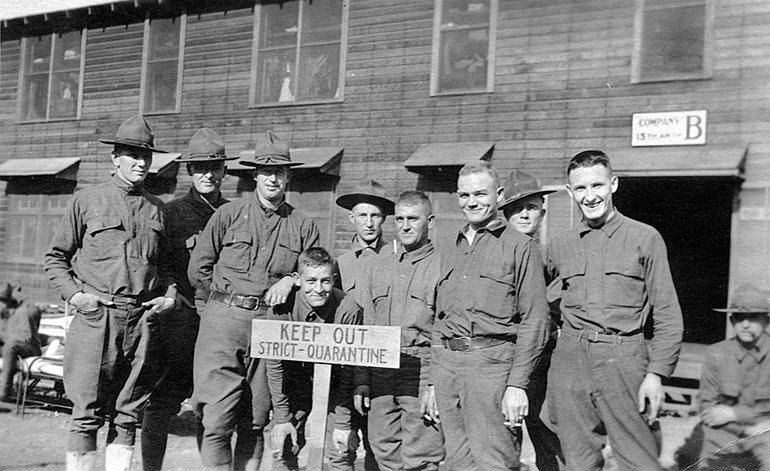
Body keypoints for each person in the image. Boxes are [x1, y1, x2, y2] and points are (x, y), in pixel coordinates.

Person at [44, 115, 178, 471]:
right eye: (132, 154)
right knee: (86, 412)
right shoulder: (87, 201)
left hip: (142, 323)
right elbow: (56, 258)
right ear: (114, 157)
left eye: (145, 156)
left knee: (128, 414)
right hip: (97, 319)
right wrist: (77, 297)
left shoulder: (158, 209)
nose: (140, 163)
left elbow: (166, 268)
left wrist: (168, 296)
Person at [188, 129, 320, 471]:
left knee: (256, 420)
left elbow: (315, 273)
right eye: (265, 172)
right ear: (254, 175)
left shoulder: (303, 225)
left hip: (269, 328)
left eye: (279, 172)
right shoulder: (229, 215)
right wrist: (215, 312)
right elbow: (198, 269)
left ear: (288, 175)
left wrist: (292, 280)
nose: (272, 178)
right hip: (221, 324)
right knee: (215, 420)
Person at [544, 150, 683, 471]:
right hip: (571, 361)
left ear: (614, 184)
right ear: (569, 192)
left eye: (598, 185)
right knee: (578, 462)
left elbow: (667, 313)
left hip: (623, 359)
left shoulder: (644, 238)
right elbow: (535, 299)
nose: (590, 196)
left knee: (640, 460)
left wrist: (656, 373)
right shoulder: (559, 244)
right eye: (580, 188)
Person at [432, 161, 550, 470]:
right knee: (457, 462)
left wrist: (517, 385)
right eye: (464, 195)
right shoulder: (450, 246)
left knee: (494, 462)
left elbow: (535, 321)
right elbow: (438, 317)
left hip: (492, 371)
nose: (471, 202)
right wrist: (433, 381)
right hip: (448, 369)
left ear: (498, 195)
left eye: (480, 194)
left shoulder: (520, 246)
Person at [140, 128, 237, 471]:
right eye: (199, 168)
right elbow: (157, 263)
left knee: (212, 406)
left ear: (225, 170)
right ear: (189, 172)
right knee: (163, 402)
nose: (208, 174)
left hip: (221, 324)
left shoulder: (236, 213)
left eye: (215, 167)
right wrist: (169, 292)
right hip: (180, 322)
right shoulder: (171, 213)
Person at [352, 190, 445, 471]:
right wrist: (362, 379)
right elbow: (366, 325)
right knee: (383, 448)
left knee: (422, 452)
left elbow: (446, 328)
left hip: (422, 368)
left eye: (413, 219)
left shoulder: (443, 266)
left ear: (429, 221)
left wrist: (436, 385)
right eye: (400, 219)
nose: (405, 226)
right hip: (381, 368)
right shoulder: (379, 265)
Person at [268, 247, 362, 471]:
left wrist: (342, 423)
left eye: (325, 281)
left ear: (334, 280)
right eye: (311, 281)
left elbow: (349, 369)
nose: (318, 289)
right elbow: (274, 364)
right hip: (295, 380)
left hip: (335, 384)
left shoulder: (348, 308)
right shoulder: (282, 305)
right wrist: (282, 418)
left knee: (341, 450)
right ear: (298, 280)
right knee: (283, 447)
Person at [499, 170, 563, 471]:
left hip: (542, 366)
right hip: (500, 363)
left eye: (531, 207)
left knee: (549, 443)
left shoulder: (550, 257)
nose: (524, 215)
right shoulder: (494, 254)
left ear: (542, 212)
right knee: (500, 448)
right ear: (505, 214)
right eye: (516, 208)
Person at [333, 179, 394, 470]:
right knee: (341, 446)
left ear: (384, 219)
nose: (368, 223)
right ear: (351, 218)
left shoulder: (396, 259)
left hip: (381, 364)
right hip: (347, 367)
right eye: (362, 215)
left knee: (379, 445)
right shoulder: (340, 264)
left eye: (375, 215)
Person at [692, 283, 770, 469]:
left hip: (765, 433)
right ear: (732, 321)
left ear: (766, 321)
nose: (745, 324)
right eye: (739, 318)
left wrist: (734, 413)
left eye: (753, 317)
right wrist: (745, 426)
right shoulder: (716, 353)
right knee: (704, 465)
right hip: (724, 433)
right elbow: (706, 405)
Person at [0, 283, 43, 402]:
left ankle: (4, 391)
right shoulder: (5, 313)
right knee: (9, 346)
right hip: (10, 344)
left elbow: (24, 338)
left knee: (10, 347)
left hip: (30, 347)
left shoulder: (24, 311)